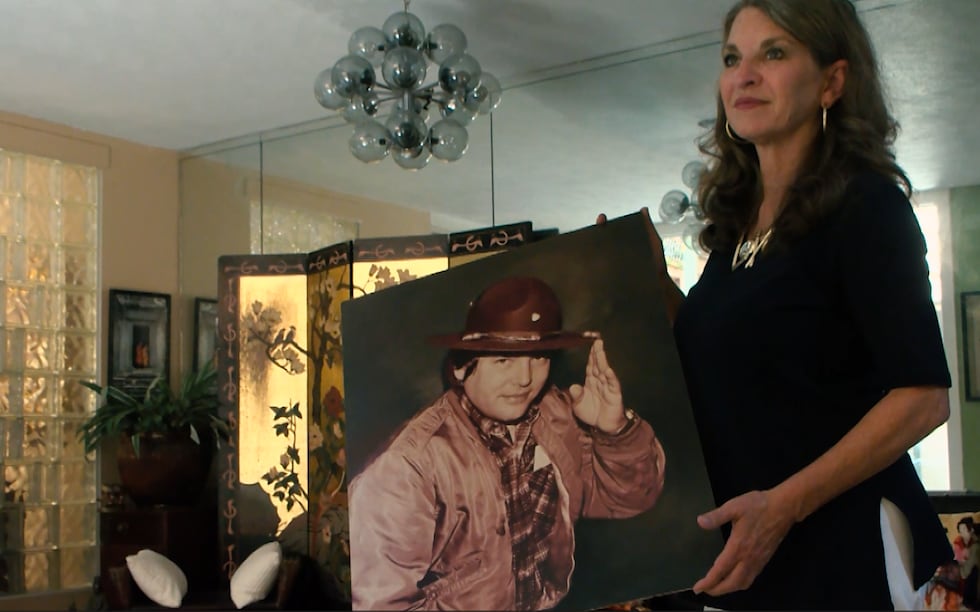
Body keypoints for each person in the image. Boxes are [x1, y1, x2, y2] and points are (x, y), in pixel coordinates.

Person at [600, 0, 953, 608]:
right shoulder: (738, 227)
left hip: (841, 547)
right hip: (747, 551)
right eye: (733, 58)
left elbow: (923, 398)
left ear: (832, 81)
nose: (745, 75)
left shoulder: (867, 207)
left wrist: (783, 507)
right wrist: (652, 282)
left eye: (775, 53)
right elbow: (722, 360)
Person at [348, 276, 666, 610]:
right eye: (504, 360)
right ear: (460, 368)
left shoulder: (555, 414)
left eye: (539, 357)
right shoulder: (405, 469)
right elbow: (381, 605)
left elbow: (629, 498)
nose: (525, 378)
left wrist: (615, 432)